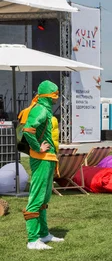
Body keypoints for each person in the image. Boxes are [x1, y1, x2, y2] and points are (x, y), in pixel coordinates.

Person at [20, 81, 63, 250]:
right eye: (55, 95)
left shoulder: (44, 109)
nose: (56, 99)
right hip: (42, 158)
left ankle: (43, 234)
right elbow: (28, 129)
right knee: (36, 197)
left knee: (44, 199)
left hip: (48, 158)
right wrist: (38, 147)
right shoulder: (40, 109)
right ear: (49, 95)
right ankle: (33, 240)